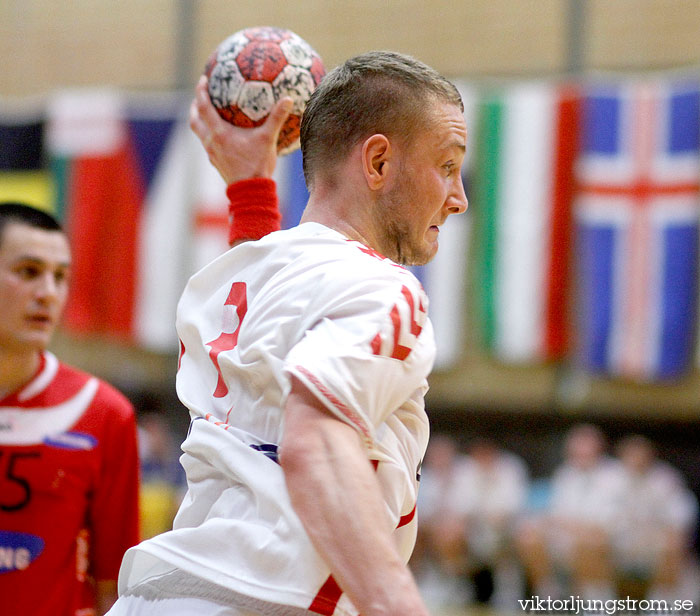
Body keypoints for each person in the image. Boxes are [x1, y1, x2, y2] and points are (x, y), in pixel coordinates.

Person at [108, 49, 468, 616]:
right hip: (269, 600)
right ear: (377, 163)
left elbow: (282, 304)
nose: (459, 199)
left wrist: (249, 185)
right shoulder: (384, 289)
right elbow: (314, 444)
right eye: (448, 167)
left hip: (159, 595)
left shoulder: (238, 275)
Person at [0, 202, 140, 615]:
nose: (48, 293)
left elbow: (116, 583)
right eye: (28, 272)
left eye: (60, 277)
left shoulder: (104, 413)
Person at [516, 423, 621, 600]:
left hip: (609, 541)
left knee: (588, 541)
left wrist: (572, 526)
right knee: (529, 536)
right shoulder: (565, 473)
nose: (580, 454)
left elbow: (607, 524)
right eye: (575, 449)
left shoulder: (615, 475)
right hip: (566, 537)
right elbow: (555, 514)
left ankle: (596, 598)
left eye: (585, 448)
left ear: (599, 448)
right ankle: (550, 596)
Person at [611, 434, 698, 600]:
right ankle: (598, 603)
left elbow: (680, 514)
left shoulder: (666, 479)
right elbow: (605, 518)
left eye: (640, 455)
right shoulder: (611, 479)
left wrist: (668, 534)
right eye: (631, 455)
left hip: (655, 540)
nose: (636, 460)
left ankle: (661, 604)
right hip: (619, 541)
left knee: (671, 545)